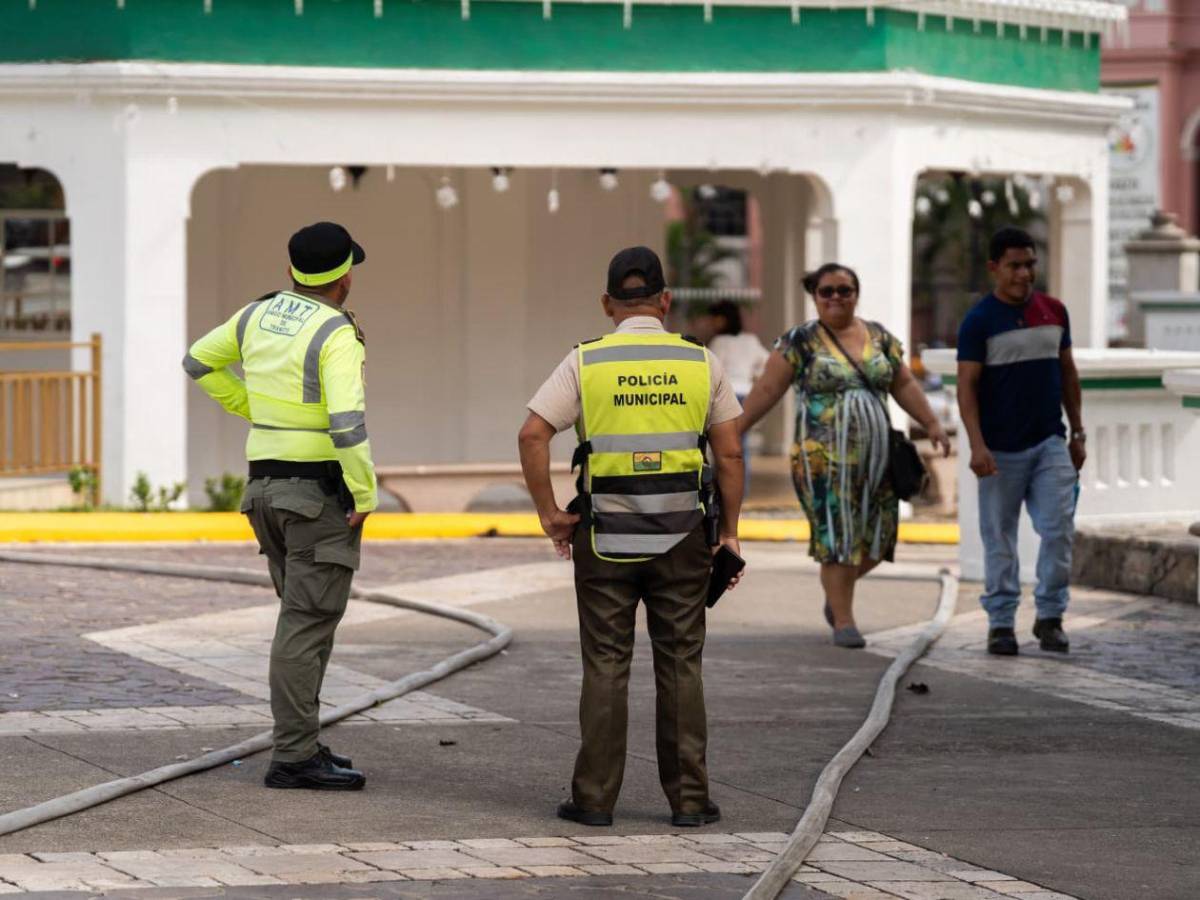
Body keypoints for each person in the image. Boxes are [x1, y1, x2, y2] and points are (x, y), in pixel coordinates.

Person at [518, 246, 744, 828]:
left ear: (608, 304)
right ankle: (690, 801)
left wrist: (549, 514)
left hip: (604, 538)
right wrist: (732, 535)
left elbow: (532, 434)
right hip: (684, 537)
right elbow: (731, 451)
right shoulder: (700, 362)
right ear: (665, 301)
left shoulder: (586, 361)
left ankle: (593, 799)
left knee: (606, 665)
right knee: (681, 665)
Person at [183, 221, 377, 790]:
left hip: (263, 490)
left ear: (293, 272)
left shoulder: (255, 314)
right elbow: (346, 421)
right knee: (306, 623)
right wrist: (365, 493)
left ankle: (304, 739)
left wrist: (258, 411)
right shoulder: (336, 330)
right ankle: (293, 757)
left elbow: (197, 362)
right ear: (342, 278)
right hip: (315, 495)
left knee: (305, 621)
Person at [738, 263, 950, 648]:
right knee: (838, 534)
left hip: (878, 459)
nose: (837, 297)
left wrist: (932, 423)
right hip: (823, 461)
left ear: (856, 293)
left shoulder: (879, 337)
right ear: (815, 297)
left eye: (845, 290)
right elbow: (768, 389)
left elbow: (903, 383)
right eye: (827, 291)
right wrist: (733, 431)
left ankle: (837, 594)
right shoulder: (799, 341)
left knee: (880, 536)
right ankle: (845, 620)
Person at [956, 227, 1084, 657]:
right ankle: (1001, 623)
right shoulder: (978, 322)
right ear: (995, 268)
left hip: (1050, 442)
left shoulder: (1055, 312)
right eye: (1014, 265)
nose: (1024, 273)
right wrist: (976, 445)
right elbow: (966, 388)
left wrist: (1078, 432)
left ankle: (1050, 617)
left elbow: (1068, 374)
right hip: (999, 451)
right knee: (1000, 539)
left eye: (1030, 264)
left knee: (1058, 531)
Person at [707, 299, 769, 491]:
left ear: (724, 319)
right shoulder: (751, 341)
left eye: (715, 318)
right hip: (746, 396)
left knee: (722, 448)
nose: (712, 322)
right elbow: (767, 363)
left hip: (727, 397)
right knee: (740, 447)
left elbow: (711, 371)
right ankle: (742, 490)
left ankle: (728, 490)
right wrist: (753, 379)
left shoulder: (719, 342)